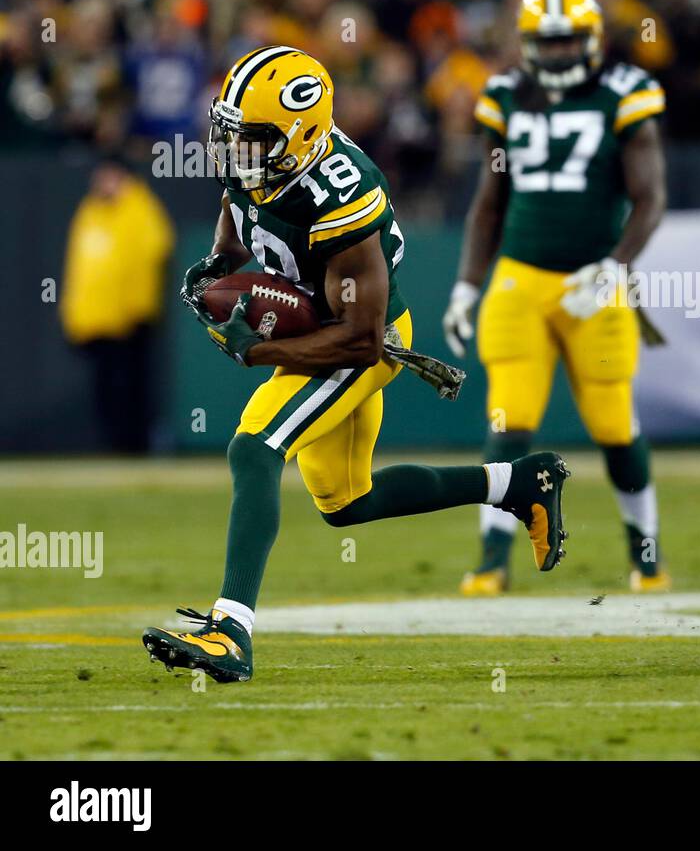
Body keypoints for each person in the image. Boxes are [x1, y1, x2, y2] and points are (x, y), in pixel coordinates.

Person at [142, 46, 569, 683]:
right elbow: (236, 230)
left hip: (360, 339)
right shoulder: (254, 159)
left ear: (302, 136)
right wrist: (216, 273)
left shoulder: (341, 190)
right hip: (323, 329)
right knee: (346, 502)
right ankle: (517, 484)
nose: (237, 152)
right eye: (231, 135)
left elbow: (361, 340)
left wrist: (258, 350)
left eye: (252, 140)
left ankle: (230, 632)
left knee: (254, 449)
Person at [443, 0, 669, 595]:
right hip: (519, 279)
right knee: (508, 419)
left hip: (595, 280)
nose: (562, 52)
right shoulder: (504, 95)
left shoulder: (625, 93)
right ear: (526, 43)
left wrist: (617, 264)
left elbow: (650, 199)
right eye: (549, 41)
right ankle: (492, 559)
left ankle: (645, 556)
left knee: (613, 423)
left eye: (571, 40)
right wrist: (467, 284)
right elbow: (488, 205)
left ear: (592, 39)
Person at [61, 159, 174, 453]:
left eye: (110, 176)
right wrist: (76, 317)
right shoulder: (90, 212)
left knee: (132, 387)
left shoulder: (140, 209)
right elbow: (80, 269)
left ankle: (135, 446)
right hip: (98, 321)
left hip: (131, 319)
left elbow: (151, 256)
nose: (104, 183)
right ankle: (112, 446)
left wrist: (137, 309)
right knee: (105, 389)